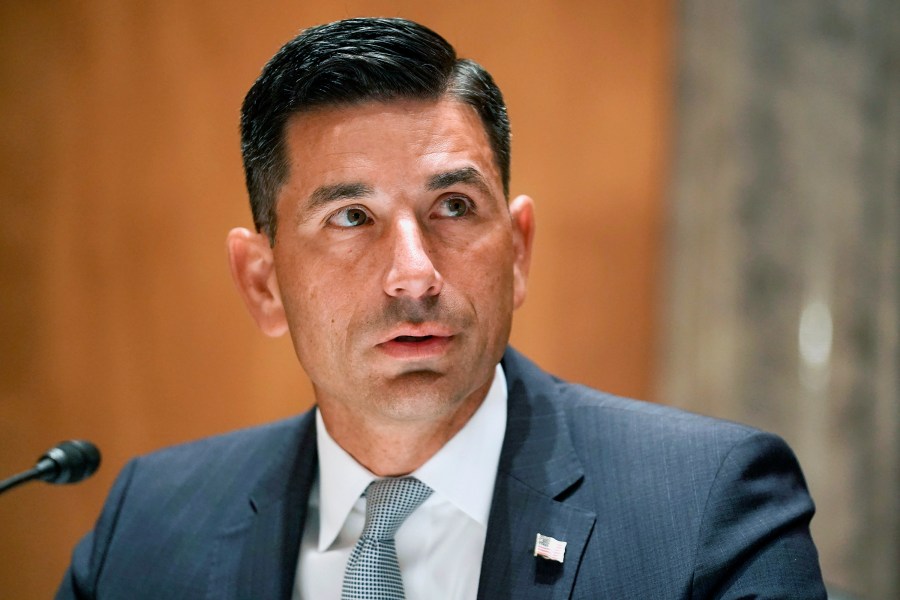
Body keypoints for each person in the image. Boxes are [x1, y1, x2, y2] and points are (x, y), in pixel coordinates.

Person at [56, 17, 826, 599]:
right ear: (262, 283)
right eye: (350, 218)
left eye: (454, 206)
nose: (414, 276)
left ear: (518, 251)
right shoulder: (149, 526)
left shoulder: (706, 507)